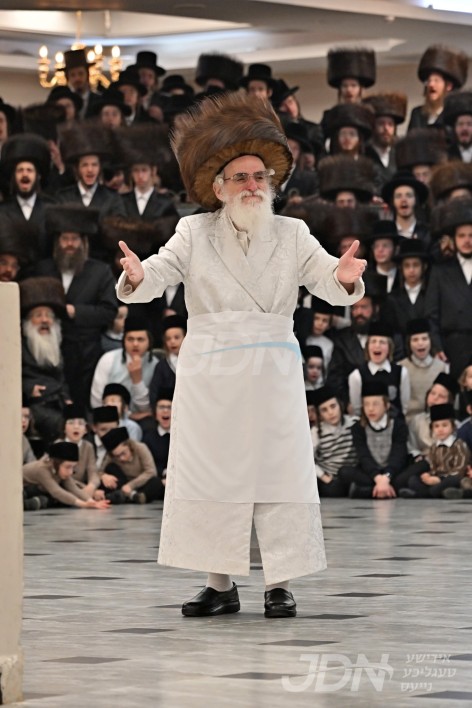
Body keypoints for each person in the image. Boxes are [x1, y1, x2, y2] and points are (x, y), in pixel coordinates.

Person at [116, 91, 366, 618]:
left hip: (272, 372)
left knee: (279, 473)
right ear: (218, 187)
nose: (253, 186)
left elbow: (327, 278)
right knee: (213, 474)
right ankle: (219, 585)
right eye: (241, 178)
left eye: (259, 177)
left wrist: (344, 279)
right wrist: (137, 277)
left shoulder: (293, 233)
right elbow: (157, 273)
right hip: (211, 374)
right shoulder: (193, 231)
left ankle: (280, 584)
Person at [339, 381, 408, 499]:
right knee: (344, 472)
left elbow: (398, 454)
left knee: (412, 472)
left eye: (375, 404)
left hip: (393, 472)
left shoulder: (398, 425)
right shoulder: (358, 428)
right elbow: (363, 456)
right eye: (366, 404)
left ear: (386, 405)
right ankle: (387, 490)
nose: (370, 409)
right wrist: (378, 478)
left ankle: (367, 491)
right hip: (370, 473)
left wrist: (386, 477)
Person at [401, 404, 471, 499]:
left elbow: (459, 469)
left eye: (444, 425)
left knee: (453, 480)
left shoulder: (459, 444)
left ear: (452, 427)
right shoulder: (434, 447)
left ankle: (421, 494)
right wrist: (428, 476)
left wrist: (440, 479)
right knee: (413, 479)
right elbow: (432, 466)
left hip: (449, 478)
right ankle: (432, 492)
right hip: (435, 479)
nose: (440, 429)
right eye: (436, 426)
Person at [23, 441, 110, 509]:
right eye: (68, 467)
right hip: (22, 489)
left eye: (73, 467)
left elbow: (74, 489)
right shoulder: (42, 469)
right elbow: (56, 491)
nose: (70, 472)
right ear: (56, 463)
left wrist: (91, 502)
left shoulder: (60, 470)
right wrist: (84, 504)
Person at [398, 319, 448, 422]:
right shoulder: (401, 367)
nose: (420, 343)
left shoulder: (442, 367)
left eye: (424, 339)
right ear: (409, 343)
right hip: (409, 421)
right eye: (415, 340)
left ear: (430, 341)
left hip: (436, 421)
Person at [312, 386, 357, 498]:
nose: (331, 412)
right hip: (329, 476)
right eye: (324, 410)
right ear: (319, 414)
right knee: (331, 490)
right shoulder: (317, 431)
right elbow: (308, 459)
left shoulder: (354, 423)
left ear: (340, 405)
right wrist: (323, 476)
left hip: (349, 472)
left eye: (333, 406)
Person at [99, 427, 161, 504]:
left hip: (140, 482)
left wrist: (131, 485)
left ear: (129, 445)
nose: (121, 458)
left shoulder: (140, 448)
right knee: (110, 468)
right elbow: (99, 471)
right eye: (117, 456)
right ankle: (127, 496)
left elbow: (151, 471)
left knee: (156, 482)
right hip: (122, 484)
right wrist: (104, 476)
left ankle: (136, 497)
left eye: (123, 453)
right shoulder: (110, 456)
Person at [142, 388, 173, 498]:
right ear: (155, 413)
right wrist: (163, 476)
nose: (165, 411)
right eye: (161, 407)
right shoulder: (148, 437)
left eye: (169, 407)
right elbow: (147, 464)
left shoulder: (182, 437)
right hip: (157, 480)